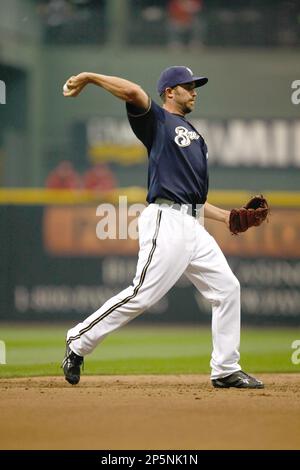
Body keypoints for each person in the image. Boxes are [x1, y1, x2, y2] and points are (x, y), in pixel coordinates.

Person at [61, 66, 264, 389]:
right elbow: (132, 92)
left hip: (193, 224)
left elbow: (195, 200)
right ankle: (78, 340)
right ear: (170, 92)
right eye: (188, 86)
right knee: (142, 294)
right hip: (165, 219)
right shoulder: (156, 121)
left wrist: (227, 218)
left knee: (228, 289)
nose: (194, 91)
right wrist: (89, 77)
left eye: (195, 86)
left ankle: (225, 368)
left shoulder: (195, 137)